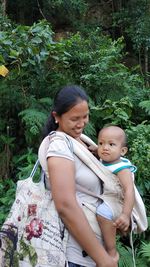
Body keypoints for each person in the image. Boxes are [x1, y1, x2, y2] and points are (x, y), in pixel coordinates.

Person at [38, 85, 118, 267]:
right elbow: (66, 206)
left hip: (89, 252)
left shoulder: (81, 141)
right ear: (56, 117)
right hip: (72, 255)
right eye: (75, 119)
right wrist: (103, 260)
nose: (82, 123)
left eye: (85, 116)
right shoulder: (59, 146)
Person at [96, 125, 136, 262]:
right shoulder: (106, 159)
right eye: (101, 143)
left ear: (123, 151)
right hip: (107, 197)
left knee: (103, 212)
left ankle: (112, 252)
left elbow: (129, 190)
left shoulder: (122, 168)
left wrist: (125, 214)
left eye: (111, 144)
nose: (105, 147)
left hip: (119, 201)